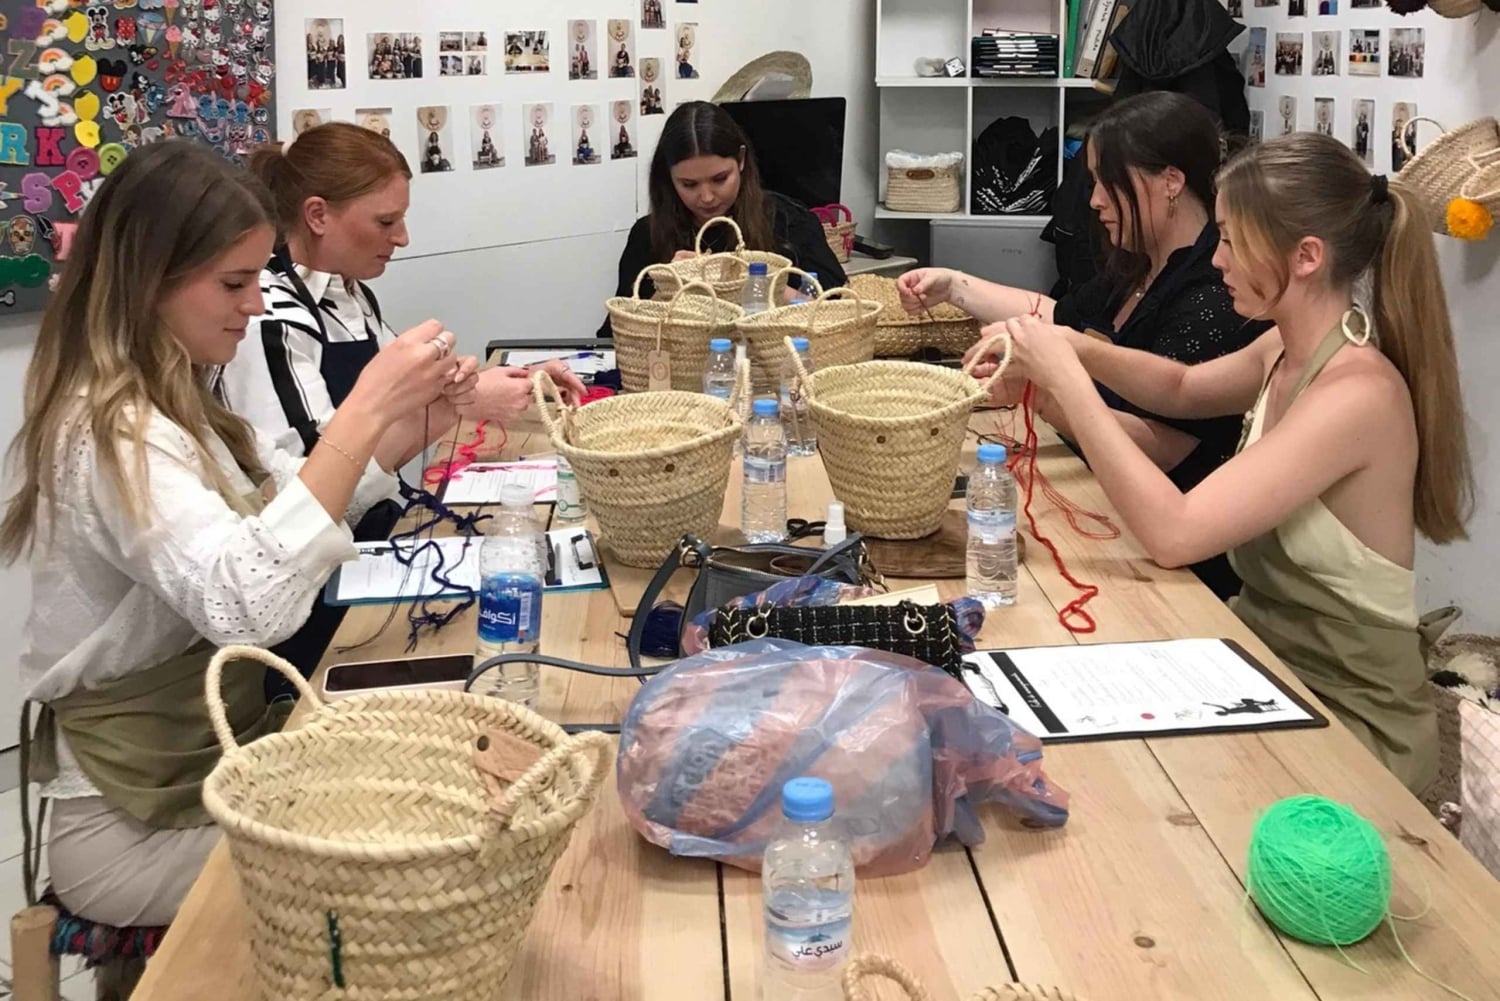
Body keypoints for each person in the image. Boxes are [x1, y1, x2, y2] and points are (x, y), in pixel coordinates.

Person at [1, 140, 478, 931]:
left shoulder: (180, 399)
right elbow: (249, 602)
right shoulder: (111, 430)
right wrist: (362, 414)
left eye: (258, 277)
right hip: (132, 823)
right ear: (148, 279)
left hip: (212, 767)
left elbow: (295, 505)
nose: (256, 304)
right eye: (233, 282)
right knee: (418, 859)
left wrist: (425, 414)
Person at [966, 133, 1473, 794]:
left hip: (1348, 728)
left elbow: (1176, 533)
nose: (1219, 257)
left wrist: (1066, 379)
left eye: (1233, 240)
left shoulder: (1358, 395)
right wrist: (1067, 346)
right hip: (1267, 675)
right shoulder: (1282, 352)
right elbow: (1180, 389)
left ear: (1307, 257)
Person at [900, 93, 1267, 600]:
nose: (1093, 201)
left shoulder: (1213, 296)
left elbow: (1163, 450)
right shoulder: (1141, 262)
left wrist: (1046, 388)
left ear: (1170, 182)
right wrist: (956, 287)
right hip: (1112, 512)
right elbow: (1059, 318)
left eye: (1106, 183)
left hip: (1170, 567)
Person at [217, 123, 584, 530]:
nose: (403, 238)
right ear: (317, 215)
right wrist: (452, 402)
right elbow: (306, 504)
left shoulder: (348, 294)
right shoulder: (270, 322)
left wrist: (520, 384)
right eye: (386, 222)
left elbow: (419, 395)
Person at [601, 101, 847, 334]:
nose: (706, 197)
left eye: (720, 179)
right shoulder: (648, 235)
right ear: (668, 177)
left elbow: (837, 315)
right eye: (689, 184)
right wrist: (667, 288)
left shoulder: (790, 222)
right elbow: (617, 334)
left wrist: (755, 284)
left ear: (741, 160)